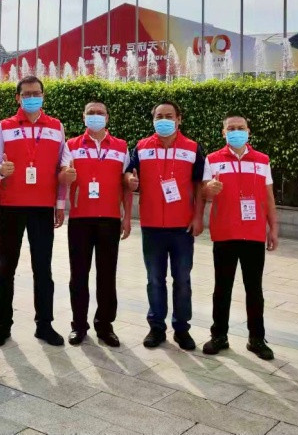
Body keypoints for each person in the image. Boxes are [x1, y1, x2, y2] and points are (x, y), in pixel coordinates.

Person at [124, 101, 210, 351]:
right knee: (154, 279)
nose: (164, 120)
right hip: (152, 226)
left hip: (182, 227)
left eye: (169, 116)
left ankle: (182, 329)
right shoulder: (142, 147)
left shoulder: (192, 148)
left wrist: (198, 217)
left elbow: (200, 185)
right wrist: (130, 180)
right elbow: (129, 173)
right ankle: (156, 327)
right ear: (153, 120)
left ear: (179, 119)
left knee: (182, 279)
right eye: (159, 116)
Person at [0, 75, 66, 348]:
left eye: (36, 93)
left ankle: (44, 325)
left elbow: (63, 167)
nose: (32, 98)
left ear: (43, 96)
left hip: (42, 208)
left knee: (43, 268)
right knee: (5, 267)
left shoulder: (56, 127)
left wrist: (59, 205)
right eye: (26, 94)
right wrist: (1, 170)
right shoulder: (4, 127)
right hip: (12, 206)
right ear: (18, 98)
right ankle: (3, 325)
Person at [199, 115, 278, 360]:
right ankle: (219, 335)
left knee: (254, 289)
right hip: (225, 233)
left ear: (248, 131)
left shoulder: (262, 160)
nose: (236, 132)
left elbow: (269, 196)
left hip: (253, 233)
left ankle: (256, 338)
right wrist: (208, 189)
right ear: (224, 133)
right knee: (222, 287)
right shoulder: (212, 159)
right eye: (231, 128)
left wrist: (273, 228)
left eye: (240, 128)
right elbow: (203, 191)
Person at [59, 101, 132, 347]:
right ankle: (78, 325)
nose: (95, 116)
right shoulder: (71, 145)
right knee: (78, 275)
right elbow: (61, 177)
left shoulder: (121, 147)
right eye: (91, 113)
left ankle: (105, 325)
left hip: (110, 219)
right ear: (83, 117)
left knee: (107, 275)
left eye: (100, 113)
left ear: (107, 117)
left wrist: (127, 217)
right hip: (80, 219)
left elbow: (128, 183)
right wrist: (65, 177)